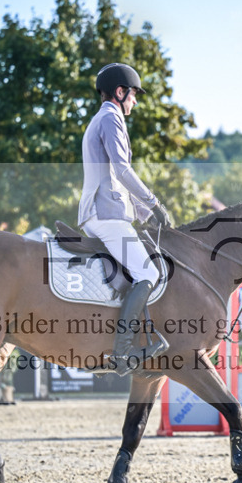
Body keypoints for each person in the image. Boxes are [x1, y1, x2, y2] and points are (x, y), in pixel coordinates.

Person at [79, 63, 171, 375]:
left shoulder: (102, 118)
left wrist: (145, 213)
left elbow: (113, 176)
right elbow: (121, 170)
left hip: (104, 211)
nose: (135, 101)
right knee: (148, 274)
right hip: (105, 214)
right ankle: (121, 355)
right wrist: (154, 202)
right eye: (133, 94)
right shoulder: (110, 118)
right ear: (120, 92)